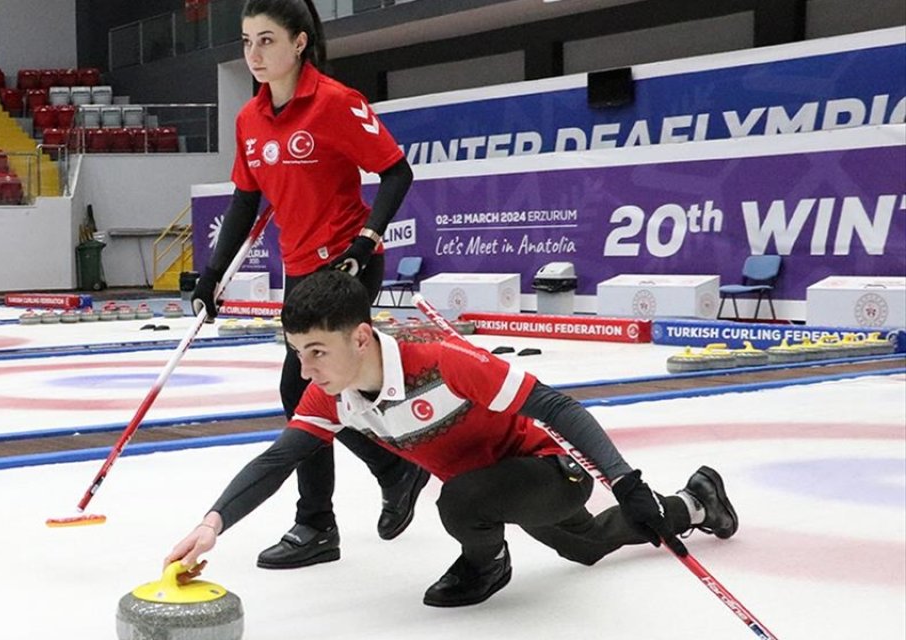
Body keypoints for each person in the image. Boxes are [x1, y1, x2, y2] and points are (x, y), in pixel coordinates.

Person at [168, 269, 739, 607]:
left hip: (545, 472)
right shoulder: (332, 396)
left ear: (361, 337)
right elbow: (278, 460)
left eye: (317, 351)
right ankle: (695, 501)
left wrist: (625, 480)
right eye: (297, 354)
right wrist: (210, 523)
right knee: (586, 545)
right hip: (495, 487)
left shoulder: (443, 363)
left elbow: (557, 406)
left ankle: (485, 565)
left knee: (462, 498)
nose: (306, 369)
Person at [190, 0, 429, 569]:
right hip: (299, 270)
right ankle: (389, 473)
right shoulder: (250, 119)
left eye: (267, 40)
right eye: (247, 42)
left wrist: (367, 238)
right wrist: (213, 273)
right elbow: (246, 200)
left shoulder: (336, 103)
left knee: (303, 391)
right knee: (311, 392)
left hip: (347, 265)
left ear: (299, 42)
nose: (255, 54)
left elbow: (396, 171)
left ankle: (317, 522)